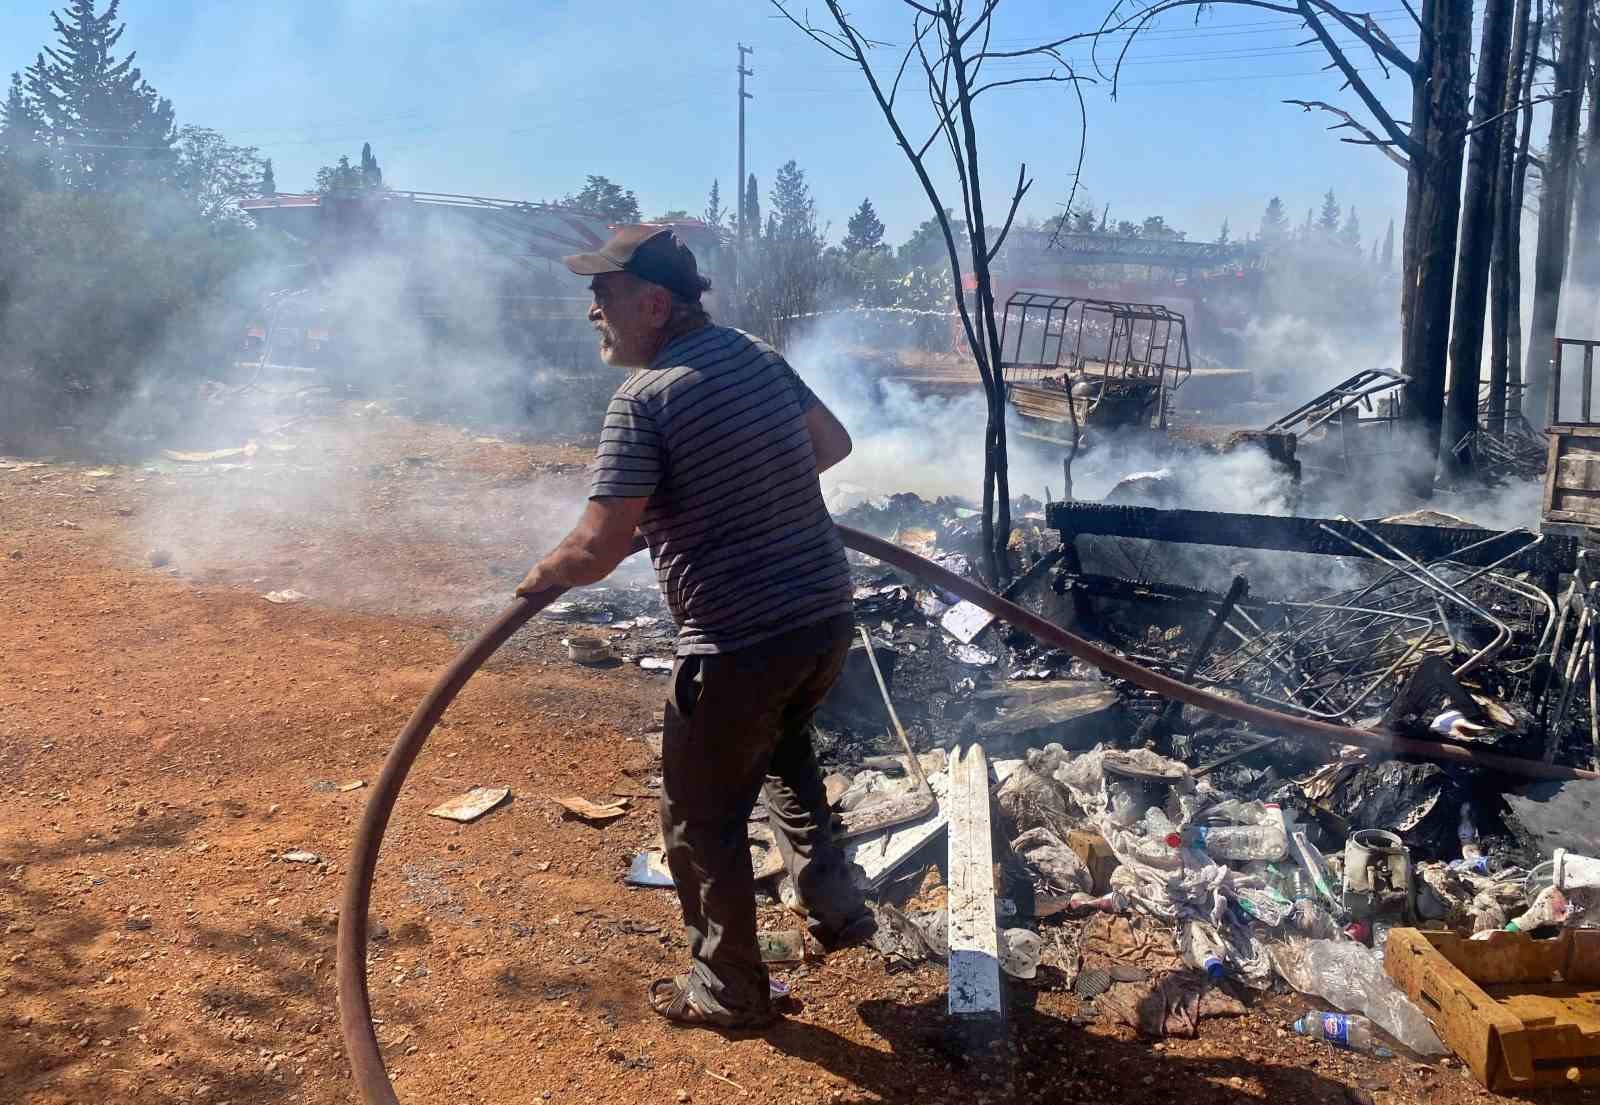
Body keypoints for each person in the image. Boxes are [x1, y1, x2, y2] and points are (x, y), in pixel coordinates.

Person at [515, 225, 874, 1029]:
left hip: (740, 642)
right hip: (824, 621)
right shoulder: (756, 356)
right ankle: (838, 909)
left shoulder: (644, 400)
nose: (591, 314)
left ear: (651, 302)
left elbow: (597, 545)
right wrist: (739, 489)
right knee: (783, 750)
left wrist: (532, 584)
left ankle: (728, 990)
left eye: (602, 297)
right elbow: (833, 442)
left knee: (699, 815)